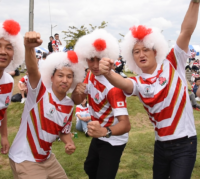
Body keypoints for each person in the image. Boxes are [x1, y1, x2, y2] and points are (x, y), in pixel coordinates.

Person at [99, 0, 200, 178]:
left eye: (146, 49)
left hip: (185, 143)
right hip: (160, 145)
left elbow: (186, 32)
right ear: (131, 56)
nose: (141, 54)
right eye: (136, 51)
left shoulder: (173, 62)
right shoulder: (138, 81)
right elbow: (123, 82)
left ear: (156, 50)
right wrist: (108, 73)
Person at [9, 31, 85, 179]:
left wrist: (69, 142)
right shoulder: (40, 92)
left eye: (69, 76)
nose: (65, 80)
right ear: (51, 76)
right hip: (25, 159)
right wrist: (29, 48)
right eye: (60, 75)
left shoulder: (69, 105)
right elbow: (32, 71)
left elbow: (63, 130)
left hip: (47, 158)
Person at [72, 29, 131, 179]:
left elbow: (126, 125)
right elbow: (77, 100)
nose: (96, 65)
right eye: (91, 59)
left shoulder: (113, 87)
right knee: (90, 168)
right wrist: (77, 91)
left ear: (109, 58)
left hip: (113, 138)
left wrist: (105, 132)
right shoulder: (91, 74)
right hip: (98, 133)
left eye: (100, 59)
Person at [0, 20, 24, 155]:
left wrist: (4, 136)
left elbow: (2, 111)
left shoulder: (8, 81)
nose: (3, 52)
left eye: (9, 47)